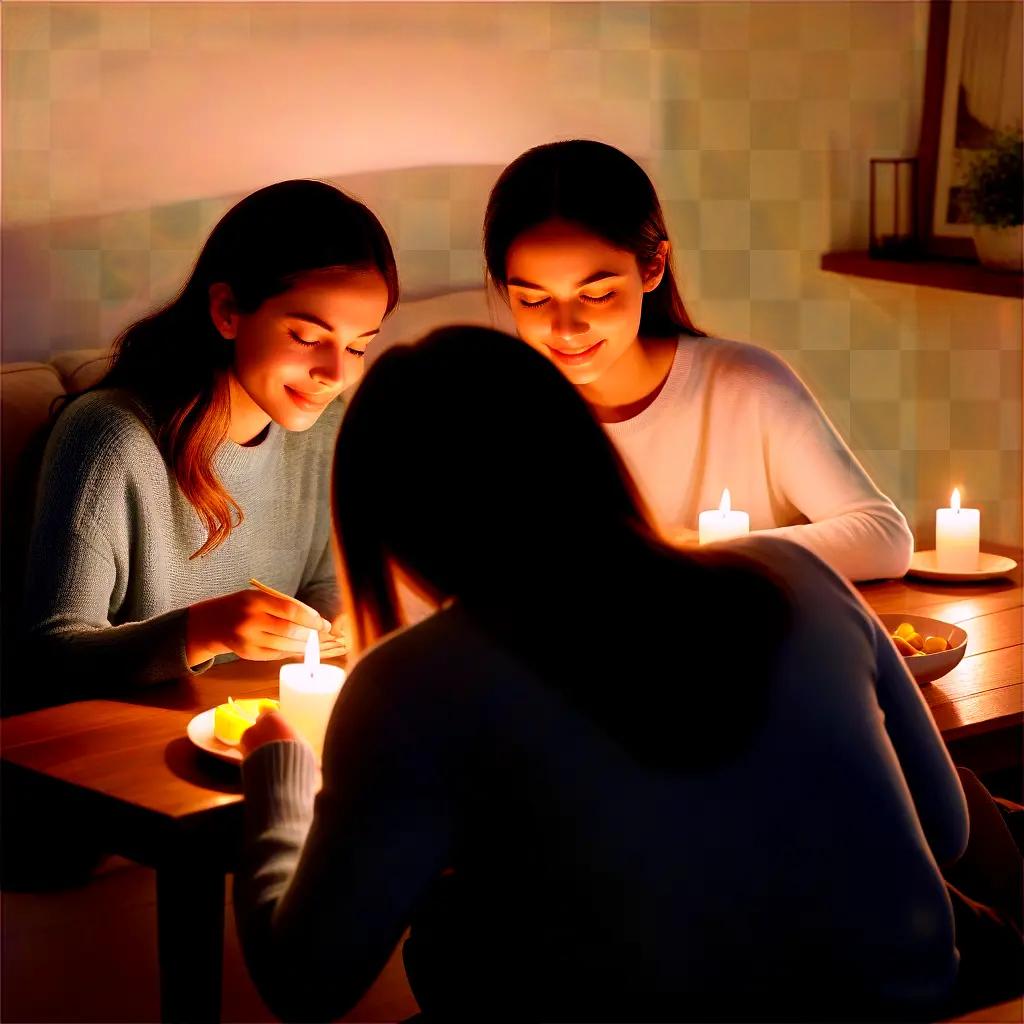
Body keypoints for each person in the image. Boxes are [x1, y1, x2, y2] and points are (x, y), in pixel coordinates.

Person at [232, 327, 1018, 1022]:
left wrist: (277, 768)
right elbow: (947, 832)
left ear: (394, 524)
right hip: (918, 1001)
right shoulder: (789, 573)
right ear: (578, 452)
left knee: (453, 941)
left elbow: (308, 986)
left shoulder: (413, 680)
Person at [23, 179, 398, 698]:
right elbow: (49, 654)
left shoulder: (325, 429)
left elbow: (323, 584)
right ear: (227, 311)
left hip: (242, 723)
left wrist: (340, 621)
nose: (334, 373)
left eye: (357, 348)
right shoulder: (111, 438)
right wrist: (200, 632)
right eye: (307, 337)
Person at [482, 139, 913, 583]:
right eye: (533, 301)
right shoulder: (500, 416)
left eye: (596, 294)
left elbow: (883, 538)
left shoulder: (745, 387)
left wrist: (701, 552)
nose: (566, 328)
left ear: (652, 267)